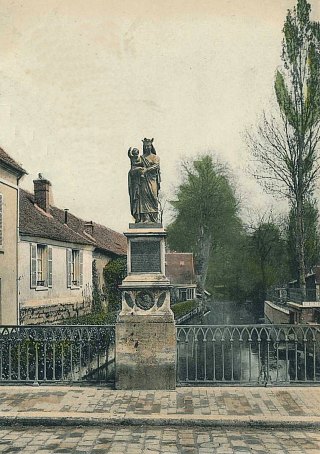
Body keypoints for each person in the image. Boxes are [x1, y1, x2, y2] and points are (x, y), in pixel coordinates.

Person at [128, 138, 161, 223]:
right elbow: (134, 165)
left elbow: (156, 166)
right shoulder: (141, 158)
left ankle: (153, 218)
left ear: (151, 146)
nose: (147, 148)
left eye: (148, 146)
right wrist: (131, 158)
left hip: (152, 180)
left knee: (153, 198)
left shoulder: (155, 157)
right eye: (145, 146)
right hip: (143, 182)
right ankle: (145, 218)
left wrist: (146, 170)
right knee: (143, 199)